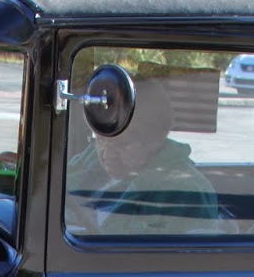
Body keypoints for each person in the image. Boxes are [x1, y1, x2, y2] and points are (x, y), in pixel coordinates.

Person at [64, 77, 220, 235]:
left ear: (156, 139)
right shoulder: (89, 159)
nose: (108, 155)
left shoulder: (185, 193)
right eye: (101, 140)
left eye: (124, 144)